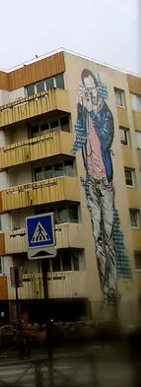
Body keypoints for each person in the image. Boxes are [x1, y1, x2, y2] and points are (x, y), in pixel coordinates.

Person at [75, 68, 116, 305]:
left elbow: (107, 139)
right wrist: (81, 108)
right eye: (85, 88)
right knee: (97, 237)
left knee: (108, 236)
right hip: (90, 180)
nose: (89, 93)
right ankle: (106, 291)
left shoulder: (106, 113)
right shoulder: (84, 110)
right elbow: (81, 135)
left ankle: (112, 288)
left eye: (91, 89)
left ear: (97, 89)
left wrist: (92, 111)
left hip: (105, 183)